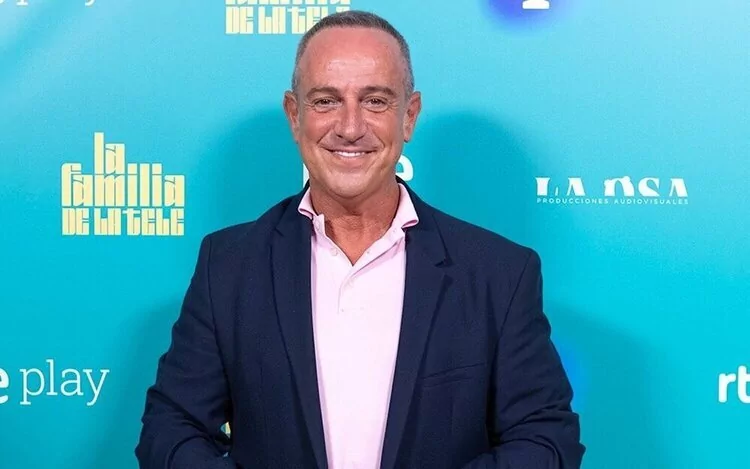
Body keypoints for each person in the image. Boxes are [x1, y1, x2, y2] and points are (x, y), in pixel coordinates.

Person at [136, 10, 584, 469]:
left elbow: (546, 439)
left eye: (375, 101)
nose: (350, 128)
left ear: (409, 116)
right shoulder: (228, 266)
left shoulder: (499, 274)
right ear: (294, 115)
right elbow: (171, 430)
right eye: (326, 101)